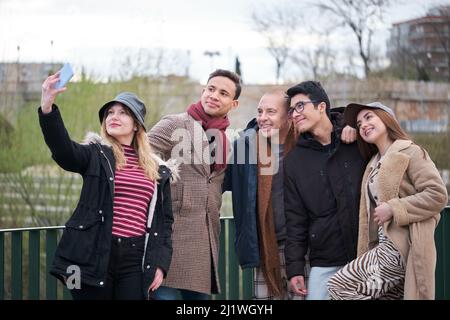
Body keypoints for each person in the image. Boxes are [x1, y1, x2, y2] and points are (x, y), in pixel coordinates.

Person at [38, 72, 175, 300]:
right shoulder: (96, 154)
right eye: (110, 112)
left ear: (136, 126)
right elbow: (63, 150)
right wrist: (47, 106)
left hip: (135, 258)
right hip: (95, 253)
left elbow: (166, 221)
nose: (114, 116)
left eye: (123, 113)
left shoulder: (158, 169)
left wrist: (161, 264)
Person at [224, 90, 357, 300]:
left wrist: (350, 126)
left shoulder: (306, 143)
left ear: (289, 116)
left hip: (304, 247)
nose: (262, 118)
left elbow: (329, 127)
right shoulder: (245, 146)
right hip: (266, 247)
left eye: (271, 112)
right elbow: (221, 181)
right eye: (260, 111)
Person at [327, 102, 448, 300]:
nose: (363, 125)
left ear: (386, 118)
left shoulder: (411, 152)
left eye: (369, 117)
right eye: (358, 124)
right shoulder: (373, 162)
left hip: (400, 248)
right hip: (380, 247)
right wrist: (346, 127)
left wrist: (394, 208)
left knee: (339, 285)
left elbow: (437, 194)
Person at [148, 69, 241, 300]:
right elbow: (139, 154)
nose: (214, 96)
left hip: (204, 242)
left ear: (234, 103)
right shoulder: (174, 123)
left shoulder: (227, 142)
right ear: (203, 90)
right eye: (211, 89)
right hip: (170, 237)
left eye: (223, 93)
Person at [283, 81, 366, 300]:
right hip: (326, 259)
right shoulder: (294, 161)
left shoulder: (358, 140)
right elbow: (295, 219)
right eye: (292, 110)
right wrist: (295, 269)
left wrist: (357, 128)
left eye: (300, 106)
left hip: (366, 254)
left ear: (321, 107)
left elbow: (389, 129)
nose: (295, 114)